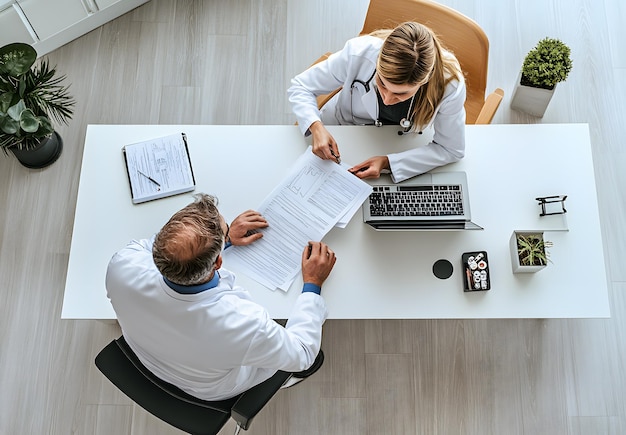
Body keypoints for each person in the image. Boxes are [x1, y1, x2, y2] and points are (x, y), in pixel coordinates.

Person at [105, 193, 336, 401]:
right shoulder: (242, 323)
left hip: (149, 356)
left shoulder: (123, 264)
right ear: (218, 262)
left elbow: (159, 248)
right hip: (207, 388)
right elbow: (303, 353)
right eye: (226, 230)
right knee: (303, 356)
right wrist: (313, 283)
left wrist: (221, 240)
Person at [288, 21, 466, 183]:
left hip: (397, 145)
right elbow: (301, 86)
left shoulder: (449, 85)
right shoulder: (358, 54)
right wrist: (316, 127)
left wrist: (389, 162)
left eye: (401, 94)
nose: (387, 99)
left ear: (424, 81)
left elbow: (451, 149)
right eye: (381, 83)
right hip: (341, 131)